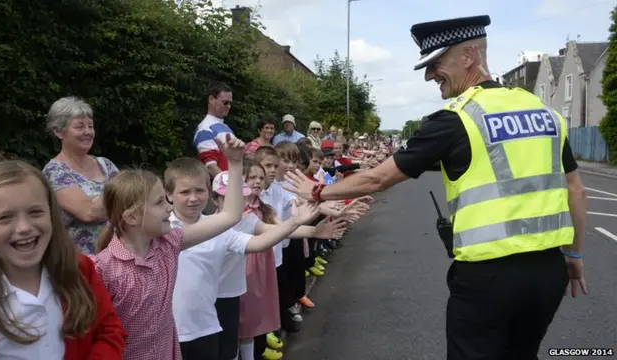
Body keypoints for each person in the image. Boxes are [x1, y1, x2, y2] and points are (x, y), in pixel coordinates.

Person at [283, 15, 588, 360]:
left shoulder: (457, 119)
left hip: (488, 278)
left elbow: (378, 178)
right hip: (547, 274)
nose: (429, 75)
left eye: (436, 63)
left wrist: (318, 192)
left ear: (469, 55)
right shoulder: (544, 113)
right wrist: (573, 255)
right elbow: (575, 191)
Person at [91, 135, 246, 360]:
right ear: (133, 217)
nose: (168, 208)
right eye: (159, 202)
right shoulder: (102, 270)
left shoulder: (169, 244)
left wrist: (234, 163)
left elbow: (230, 215)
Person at [0, 161, 126, 360]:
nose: (24, 227)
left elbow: (109, 330)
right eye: (5, 218)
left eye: (35, 212)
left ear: (51, 215)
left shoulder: (79, 269)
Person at [42, 96, 119, 255]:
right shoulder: (54, 171)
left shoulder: (105, 164)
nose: (88, 132)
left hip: (119, 258)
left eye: (90, 126)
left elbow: (136, 199)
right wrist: (119, 196)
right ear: (58, 132)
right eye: (79, 126)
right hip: (81, 264)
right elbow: (89, 213)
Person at [194, 82, 236, 178]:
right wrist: (228, 187)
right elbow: (211, 167)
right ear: (211, 99)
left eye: (230, 103)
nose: (229, 106)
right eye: (225, 102)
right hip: (222, 190)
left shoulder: (225, 127)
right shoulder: (205, 129)